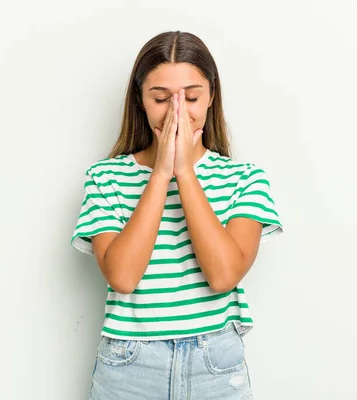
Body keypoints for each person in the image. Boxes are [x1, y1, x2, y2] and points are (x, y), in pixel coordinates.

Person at [71, 30, 283, 400]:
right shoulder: (105, 178)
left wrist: (185, 173)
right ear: (140, 101)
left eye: (192, 97)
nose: (177, 112)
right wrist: (160, 174)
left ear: (211, 97)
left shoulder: (245, 178)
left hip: (215, 368)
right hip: (130, 367)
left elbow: (223, 274)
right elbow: (122, 276)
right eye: (160, 98)